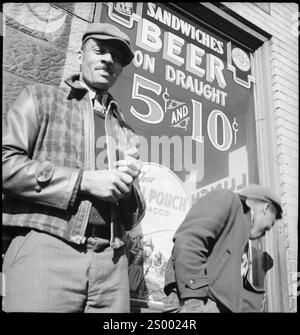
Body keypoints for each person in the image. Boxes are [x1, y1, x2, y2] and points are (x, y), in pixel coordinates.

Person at [2, 22, 145, 313]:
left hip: (112, 263)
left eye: (116, 57)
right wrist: (83, 181)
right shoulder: (41, 98)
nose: (108, 59)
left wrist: (129, 191)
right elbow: (5, 163)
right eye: (100, 51)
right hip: (46, 247)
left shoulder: (126, 132)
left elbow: (133, 217)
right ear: (80, 55)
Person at [163, 184, 282, 313]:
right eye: (272, 222)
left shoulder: (239, 229)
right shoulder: (228, 199)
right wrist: (194, 300)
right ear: (266, 208)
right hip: (199, 302)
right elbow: (189, 241)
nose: (268, 229)